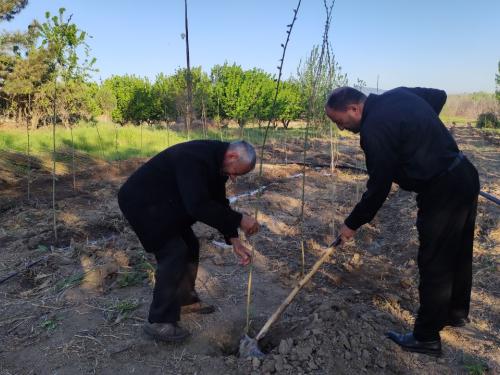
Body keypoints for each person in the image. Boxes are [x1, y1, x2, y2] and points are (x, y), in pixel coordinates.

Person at [325, 87, 479, 357]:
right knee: (459, 252)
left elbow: (378, 188)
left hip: (442, 190)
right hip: (464, 174)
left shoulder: (373, 130)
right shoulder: (399, 95)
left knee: (435, 262)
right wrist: (420, 139)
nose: (341, 129)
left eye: (339, 122)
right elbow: (439, 96)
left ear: (353, 109)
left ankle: (426, 337)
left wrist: (351, 224)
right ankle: (455, 313)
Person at [118, 140, 259, 342]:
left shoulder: (218, 162)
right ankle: (160, 322)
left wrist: (234, 239)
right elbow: (198, 206)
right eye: (237, 172)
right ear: (232, 156)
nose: (234, 178)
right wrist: (240, 219)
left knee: (190, 245)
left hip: (165, 202)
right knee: (173, 251)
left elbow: (217, 202)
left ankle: (185, 299)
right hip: (142, 202)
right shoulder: (194, 158)